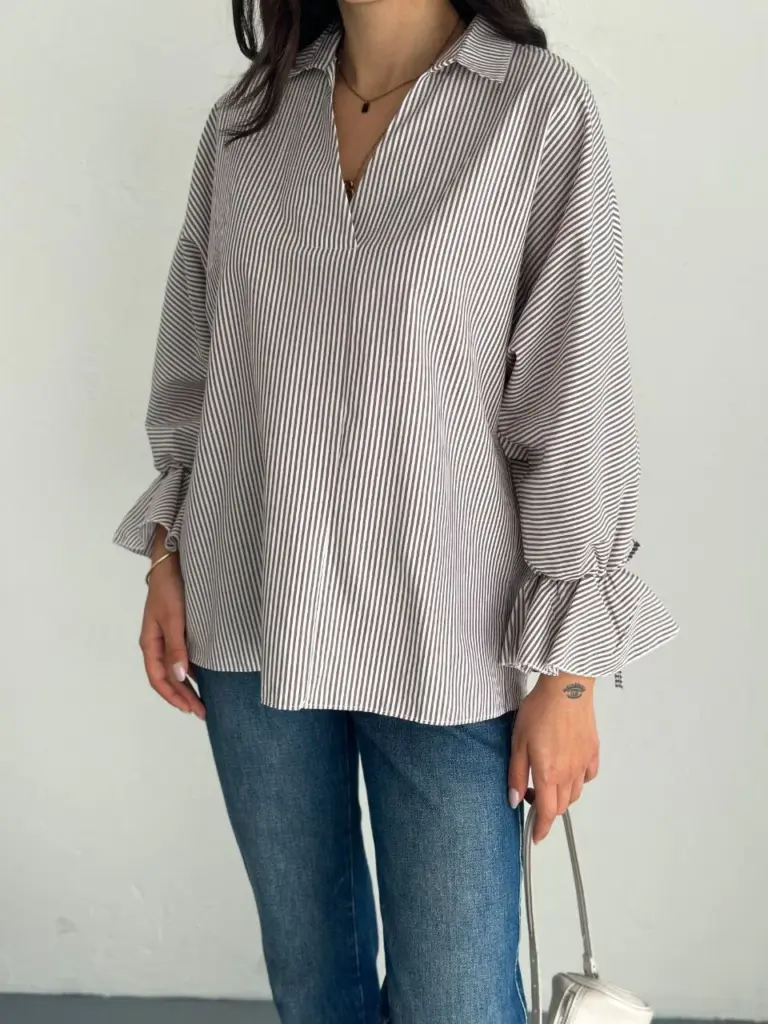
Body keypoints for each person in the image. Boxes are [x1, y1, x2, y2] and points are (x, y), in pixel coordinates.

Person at [114, 0, 678, 1020]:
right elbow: (195, 367)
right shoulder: (248, 122)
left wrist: (572, 674)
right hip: (251, 609)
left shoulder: (534, 110)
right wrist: (165, 554)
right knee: (313, 985)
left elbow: (574, 395)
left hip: (446, 634)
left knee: (458, 1000)